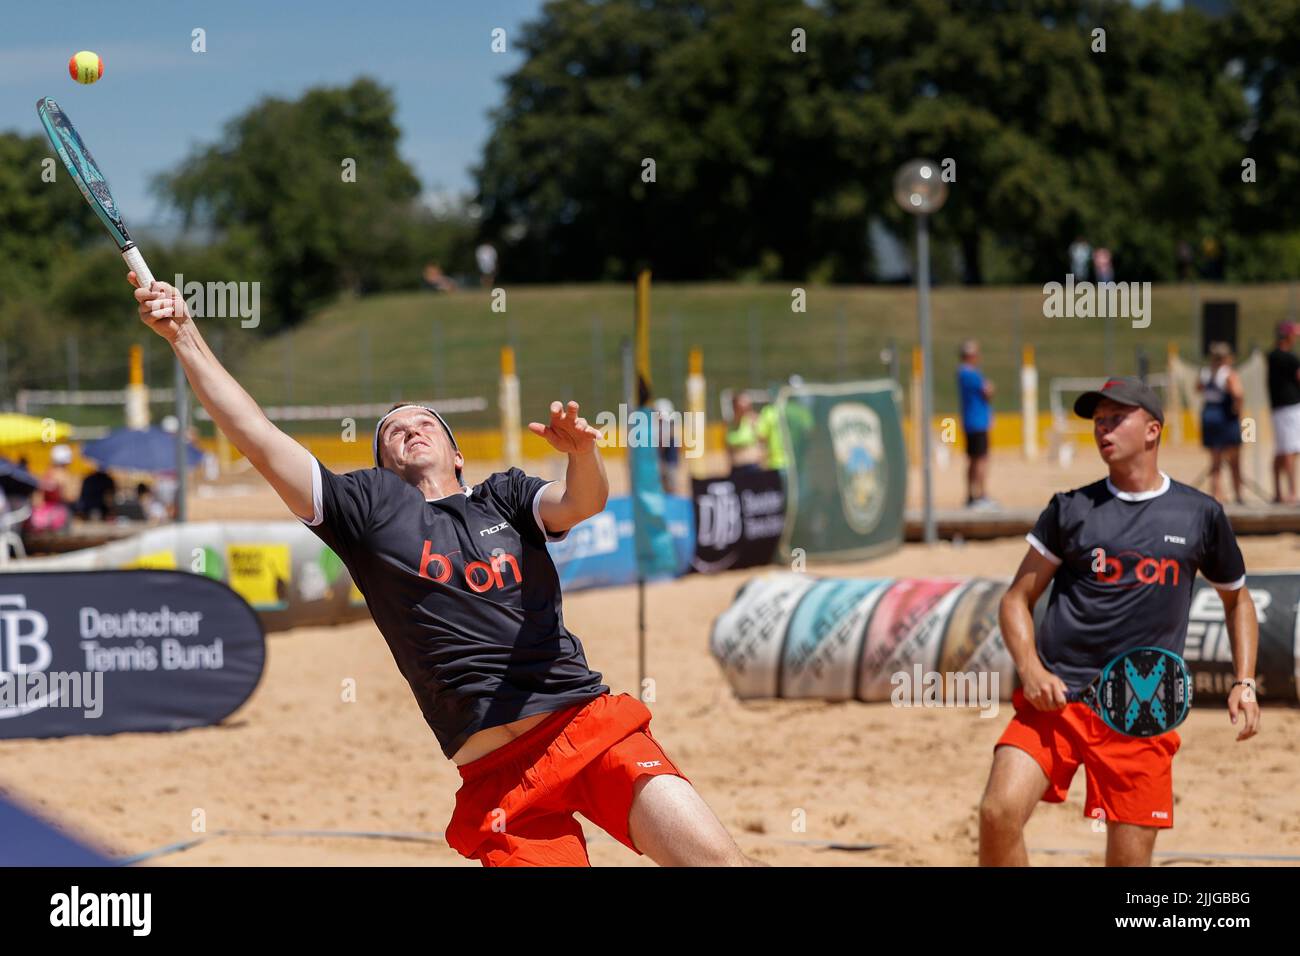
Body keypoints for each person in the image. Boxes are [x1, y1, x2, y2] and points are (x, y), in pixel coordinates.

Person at [129, 270, 757, 868]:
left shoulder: (504, 496)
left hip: (584, 723)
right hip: (499, 778)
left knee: (717, 860)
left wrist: (584, 455)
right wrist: (185, 334)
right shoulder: (368, 510)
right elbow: (258, 437)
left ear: (458, 453)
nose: (410, 428)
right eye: (393, 431)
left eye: (424, 422)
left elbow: (581, 503)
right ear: (381, 462)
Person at [980, 377, 1261, 867]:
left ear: (1152, 430)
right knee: (997, 812)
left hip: (1141, 712)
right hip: (1058, 702)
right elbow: (1015, 601)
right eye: (1098, 421)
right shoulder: (1070, 509)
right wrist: (1030, 668)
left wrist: (1244, 681)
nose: (1102, 429)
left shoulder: (1199, 514)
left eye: (1116, 418)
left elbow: (1238, 602)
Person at [1197, 342, 1244, 505]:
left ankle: (1217, 494)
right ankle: (1238, 495)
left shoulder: (1205, 373)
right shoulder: (1228, 374)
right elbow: (1238, 394)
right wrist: (1237, 410)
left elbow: (1198, 388)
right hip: (1225, 416)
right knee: (1234, 460)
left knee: (1215, 460)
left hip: (1209, 414)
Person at [957, 340, 995, 508]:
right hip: (978, 422)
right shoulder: (972, 374)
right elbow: (988, 391)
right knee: (981, 460)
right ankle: (981, 496)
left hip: (969, 421)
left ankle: (971, 496)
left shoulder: (961, 373)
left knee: (972, 460)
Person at [1267, 321, 1300, 504]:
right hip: (1289, 408)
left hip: (1281, 408)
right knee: (1289, 451)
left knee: (1282, 451)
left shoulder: (1272, 356)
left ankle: (1279, 492)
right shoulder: (1288, 358)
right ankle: (1292, 492)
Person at [725, 392, 763, 474]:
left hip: (752, 467)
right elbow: (728, 450)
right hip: (736, 468)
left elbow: (762, 442)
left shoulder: (753, 420)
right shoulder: (730, 425)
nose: (743, 408)